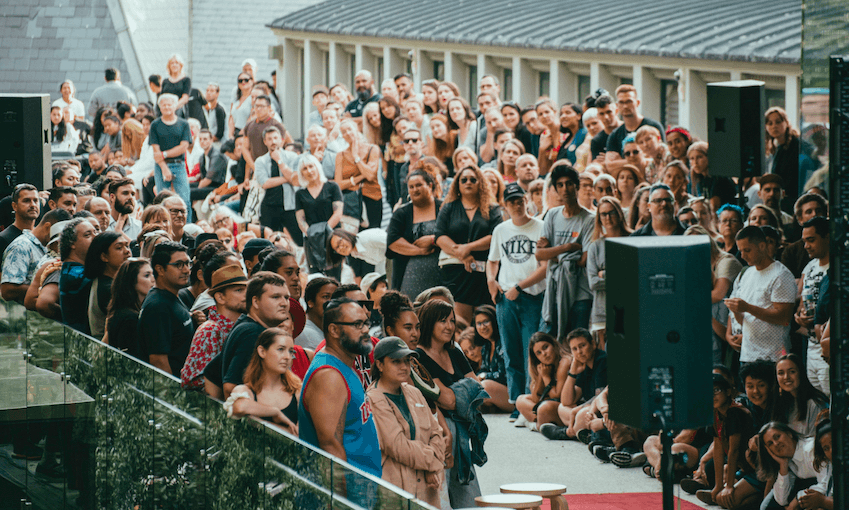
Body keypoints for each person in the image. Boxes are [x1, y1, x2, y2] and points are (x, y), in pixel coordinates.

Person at [299, 297, 383, 485]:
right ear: (334, 330)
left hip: (363, 483)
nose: (365, 330)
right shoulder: (329, 375)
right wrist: (341, 499)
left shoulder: (344, 364)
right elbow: (330, 448)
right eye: (357, 324)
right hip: (349, 490)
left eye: (366, 323)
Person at [414, 299, 483, 507]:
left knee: (469, 494)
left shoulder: (454, 351)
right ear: (429, 322)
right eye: (442, 321)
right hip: (440, 429)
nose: (449, 326)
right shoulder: (419, 355)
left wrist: (458, 394)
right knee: (442, 493)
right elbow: (446, 399)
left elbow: (480, 393)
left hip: (462, 429)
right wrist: (465, 390)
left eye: (452, 321)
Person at [485, 182, 546, 409]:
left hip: (532, 296)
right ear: (505, 205)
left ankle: (530, 402)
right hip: (505, 298)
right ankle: (515, 402)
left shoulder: (541, 227)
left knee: (532, 350)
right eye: (512, 202)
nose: (517, 205)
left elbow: (545, 267)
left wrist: (519, 287)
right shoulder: (501, 230)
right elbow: (492, 261)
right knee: (510, 351)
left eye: (520, 200)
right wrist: (491, 281)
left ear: (526, 200)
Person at [367, 337, 445, 507]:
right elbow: (397, 445)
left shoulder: (414, 392)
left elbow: (437, 433)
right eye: (396, 361)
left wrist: (431, 465)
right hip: (397, 491)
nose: (404, 366)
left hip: (427, 490)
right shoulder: (372, 399)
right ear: (380, 365)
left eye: (407, 361)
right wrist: (432, 464)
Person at [435, 164, 502, 326]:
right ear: (457, 184)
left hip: (484, 273)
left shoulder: (492, 208)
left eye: (473, 179)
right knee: (460, 324)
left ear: (481, 183)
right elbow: (439, 236)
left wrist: (468, 248)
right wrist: (461, 254)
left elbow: (496, 235)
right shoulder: (448, 207)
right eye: (463, 180)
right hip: (456, 273)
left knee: (485, 322)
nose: (468, 182)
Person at [536, 163, 595, 337]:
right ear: (555, 189)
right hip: (555, 289)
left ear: (576, 186)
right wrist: (568, 247)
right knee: (552, 341)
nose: (565, 189)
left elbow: (583, 260)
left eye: (569, 184)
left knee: (578, 343)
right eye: (560, 185)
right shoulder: (552, 215)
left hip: (581, 293)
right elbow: (539, 254)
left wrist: (553, 251)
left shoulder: (589, 219)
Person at [726, 226, 796, 365]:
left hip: (773, 356)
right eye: (740, 251)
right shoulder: (747, 273)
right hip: (747, 354)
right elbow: (746, 319)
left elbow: (784, 318)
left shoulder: (781, 274)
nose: (743, 255)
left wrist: (747, 307)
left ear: (762, 246)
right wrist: (736, 311)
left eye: (747, 250)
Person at [221, 272, 290, 398]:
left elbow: (210, 375)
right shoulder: (253, 334)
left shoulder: (244, 325)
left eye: (286, 297)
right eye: (275, 297)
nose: (284, 303)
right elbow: (230, 388)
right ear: (255, 302)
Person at [181, 265, 247, 390]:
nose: (246, 295)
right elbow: (192, 380)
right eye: (239, 290)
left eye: (247, 290)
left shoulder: (241, 327)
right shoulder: (210, 330)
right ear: (220, 297)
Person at [694, 374, 755, 507]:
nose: (712, 396)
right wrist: (718, 486)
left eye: (716, 390)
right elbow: (718, 448)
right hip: (742, 466)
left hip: (754, 467)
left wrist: (729, 486)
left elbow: (734, 451)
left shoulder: (735, 412)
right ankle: (721, 494)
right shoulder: (716, 412)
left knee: (730, 501)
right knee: (717, 483)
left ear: (728, 392)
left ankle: (757, 498)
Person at [225, 328, 300, 435]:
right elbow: (239, 407)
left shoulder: (297, 390)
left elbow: (297, 435)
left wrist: (256, 421)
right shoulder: (246, 390)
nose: (287, 357)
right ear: (262, 351)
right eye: (280, 349)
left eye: (291, 351)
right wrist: (275, 412)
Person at [539, 328, 608, 440]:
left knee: (582, 413)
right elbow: (566, 401)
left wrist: (577, 410)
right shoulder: (582, 364)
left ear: (593, 344)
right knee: (562, 408)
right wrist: (572, 372)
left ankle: (567, 433)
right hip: (588, 411)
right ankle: (581, 432)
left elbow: (599, 397)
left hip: (603, 411)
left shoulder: (602, 360)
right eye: (574, 349)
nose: (579, 352)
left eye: (582, 346)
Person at [136, 242, 193, 376]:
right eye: (179, 265)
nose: (186, 270)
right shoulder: (158, 307)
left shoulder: (171, 296)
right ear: (160, 269)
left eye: (187, 263)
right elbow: (158, 361)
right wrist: (172, 389)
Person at [387, 170, 443, 295]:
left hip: (442, 273)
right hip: (409, 277)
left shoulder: (444, 208)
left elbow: (455, 234)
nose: (415, 189)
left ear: (430, 185)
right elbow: (393, 242)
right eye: (411, 187)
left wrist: (433, 240)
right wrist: (420, 251)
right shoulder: (401, 213)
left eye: (419, 185)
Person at [586, 196, 631, 350]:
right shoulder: (595, 247)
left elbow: (634, 277)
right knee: (606, 359)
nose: (608, 217)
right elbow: (593, 283)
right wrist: (621, 276)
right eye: (603, 214)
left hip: (630, 309)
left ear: (619, 213)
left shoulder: (633, 239)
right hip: (602, 312)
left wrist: (604, 274)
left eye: (611, 212)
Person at [1, 209, 69, 302]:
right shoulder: (21, 246)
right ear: (47, 227)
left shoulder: (45, 247)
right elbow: (8, 290)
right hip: (21, 310)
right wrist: (46, 290)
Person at [757, 422, 828, 508]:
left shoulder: (810, 450)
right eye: (770, 444)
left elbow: (826, 483)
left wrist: (798, 498)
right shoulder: (789, 460)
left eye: (777, 437)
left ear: (789, 434)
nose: (776, 443)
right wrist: (783, 465)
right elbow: (781, 500)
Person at [797, 217, 829, 395]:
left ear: (827, 237)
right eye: (804, 241)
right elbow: (801, 302)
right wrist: (800, 316)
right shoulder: (810, 266)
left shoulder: (839, 267)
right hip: (811, 345)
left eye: (811, 240)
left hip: (829, 346)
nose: (806, 246)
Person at [255, 126, 302, 245]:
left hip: (289, 205)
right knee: (269, 242)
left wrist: (279, 161)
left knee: (299, 240)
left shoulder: (292, 157)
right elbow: (265, 183)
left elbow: (296, 180)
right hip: (268, 206)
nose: (273, 141)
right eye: (269, 139)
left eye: (275, 138)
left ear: (281, 140)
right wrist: (287, 178)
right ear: (265, 142)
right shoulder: (260, 161)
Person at [295, 154, 343, 271]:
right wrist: (313, 235)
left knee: (335, 274)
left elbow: (338, 213)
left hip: (333, 237)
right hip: (312, 240)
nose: (309, 171)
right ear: (301, 173)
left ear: (317, 167)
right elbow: (301, 220)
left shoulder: (332, 186)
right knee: (315, 275)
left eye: (311, 166)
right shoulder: (300, 194)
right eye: (304, 169)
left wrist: (324, 233)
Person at [765, 107, 817, 213]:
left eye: (778, 122)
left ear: (786, 123)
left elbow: (814, 155)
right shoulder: (777, 148)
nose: (774, 126)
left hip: (795, 201)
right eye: (770, 123)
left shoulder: (798, 145)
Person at [150, 94, 193, 221]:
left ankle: (187, 226)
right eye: (164, 105)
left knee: (185, 199)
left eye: (169, 104)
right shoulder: (155, 125)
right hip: (161, 166)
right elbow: (156, 151)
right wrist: (164, 168)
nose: (167, 107)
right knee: (162, 201)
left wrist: (164, 154)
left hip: (179, 164)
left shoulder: (183, 124)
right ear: (159, 107)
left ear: (175, 106)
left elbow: (183, 147)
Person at [514, 332, 569, 429]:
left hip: (565, 408)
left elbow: (556, 396)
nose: (544, 354)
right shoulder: (544, 367)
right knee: (520, 400)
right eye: (538, 353)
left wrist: (546, 377)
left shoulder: (564, 362)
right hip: (552, 405)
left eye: (545, 347)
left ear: (553, 344)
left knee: (544, 408)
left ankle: (534, 424)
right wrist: (541, 375)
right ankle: (540, 421)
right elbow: (536, 399)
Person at [335, 119, 383, 229]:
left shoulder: (373, 149)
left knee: (373, 233)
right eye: (344, 132)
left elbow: (370, 176)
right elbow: (339, 184)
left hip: (372, 197)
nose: (347, 133)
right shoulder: (340, 155)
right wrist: (360, 177)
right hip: (351, 202)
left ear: (356, 129)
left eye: (349, 129)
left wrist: (356, 157)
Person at [604, 85, 664, 173]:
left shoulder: (653, 126)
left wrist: (622, 161)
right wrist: (642, 158)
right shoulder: (615, 135)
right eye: (621, 102)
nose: (625, 106)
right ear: (617, 105)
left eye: (629, 101)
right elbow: (609, 166)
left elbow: (661, 157)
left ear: (637, 102)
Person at [84, 231, 131, 339]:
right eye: (119, 248)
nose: (127, 251)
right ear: (104, 256)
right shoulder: (109, 289)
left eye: (127, 246)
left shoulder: (112, 282)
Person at [105, 259, 155, 357]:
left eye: (153, 274)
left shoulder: (127, 312)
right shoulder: (129, 318)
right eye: (147, 275)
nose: (153, 279)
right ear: (132, 281)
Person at [772, 354, 828, 437]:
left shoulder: (815, 403)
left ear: (801, 373)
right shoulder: (783, 403)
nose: (786, 377)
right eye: (781, 373)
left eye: (792, 372)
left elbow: (816, 440)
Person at [58, 218, 98, 333]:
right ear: (72, 243)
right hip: (82, 340)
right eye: (87, 235)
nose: (95, 237)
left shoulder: (74, 268)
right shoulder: (74, 275)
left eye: (95, 232)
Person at [471, 305, 511, 412]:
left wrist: (484, 376)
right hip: (497, 394)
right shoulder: (486, 347)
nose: (483, 327)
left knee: (485, 386)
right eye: (479, 323)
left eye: (486, 321)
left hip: (511, 394)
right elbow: (483, 370)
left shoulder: (504, 342)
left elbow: (504, 375)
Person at [296, 277, 339, 350]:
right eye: (326, 296)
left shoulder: (327, 330)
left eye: (335, 297)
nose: (332, 302)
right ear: (310, 302)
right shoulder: (306, 333)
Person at [0, 184, 39, 256]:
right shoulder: (3, 239)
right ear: (14, 206)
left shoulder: (41, 236)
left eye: (35, 200)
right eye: (26, 201)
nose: (33, 205)